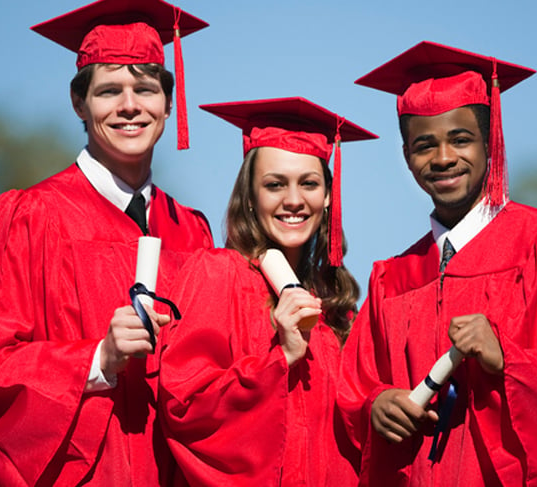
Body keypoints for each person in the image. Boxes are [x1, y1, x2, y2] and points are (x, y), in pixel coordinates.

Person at [338, 41, 537, 486]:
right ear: (406, 156)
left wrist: (508, 361)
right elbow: (354, 390)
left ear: (490, 141)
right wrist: (376, 405)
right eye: (424, 145)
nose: (442, 158)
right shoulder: (392, 279)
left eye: (461, 139)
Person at [0, 1, 213, 485]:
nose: (130, 106)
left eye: (146, 89)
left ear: (168, 105)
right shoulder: (30, 216)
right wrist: (98, 360)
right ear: (79, 104)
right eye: (109, 90)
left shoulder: (192, 230)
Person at [157, 97, 377, 486]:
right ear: (251, 195)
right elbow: (185, 405)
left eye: (309, 183)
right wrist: (280, 359)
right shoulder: (216, 274)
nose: (293, 200)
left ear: (328, 196)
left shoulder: (338, 308)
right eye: (274, 184)